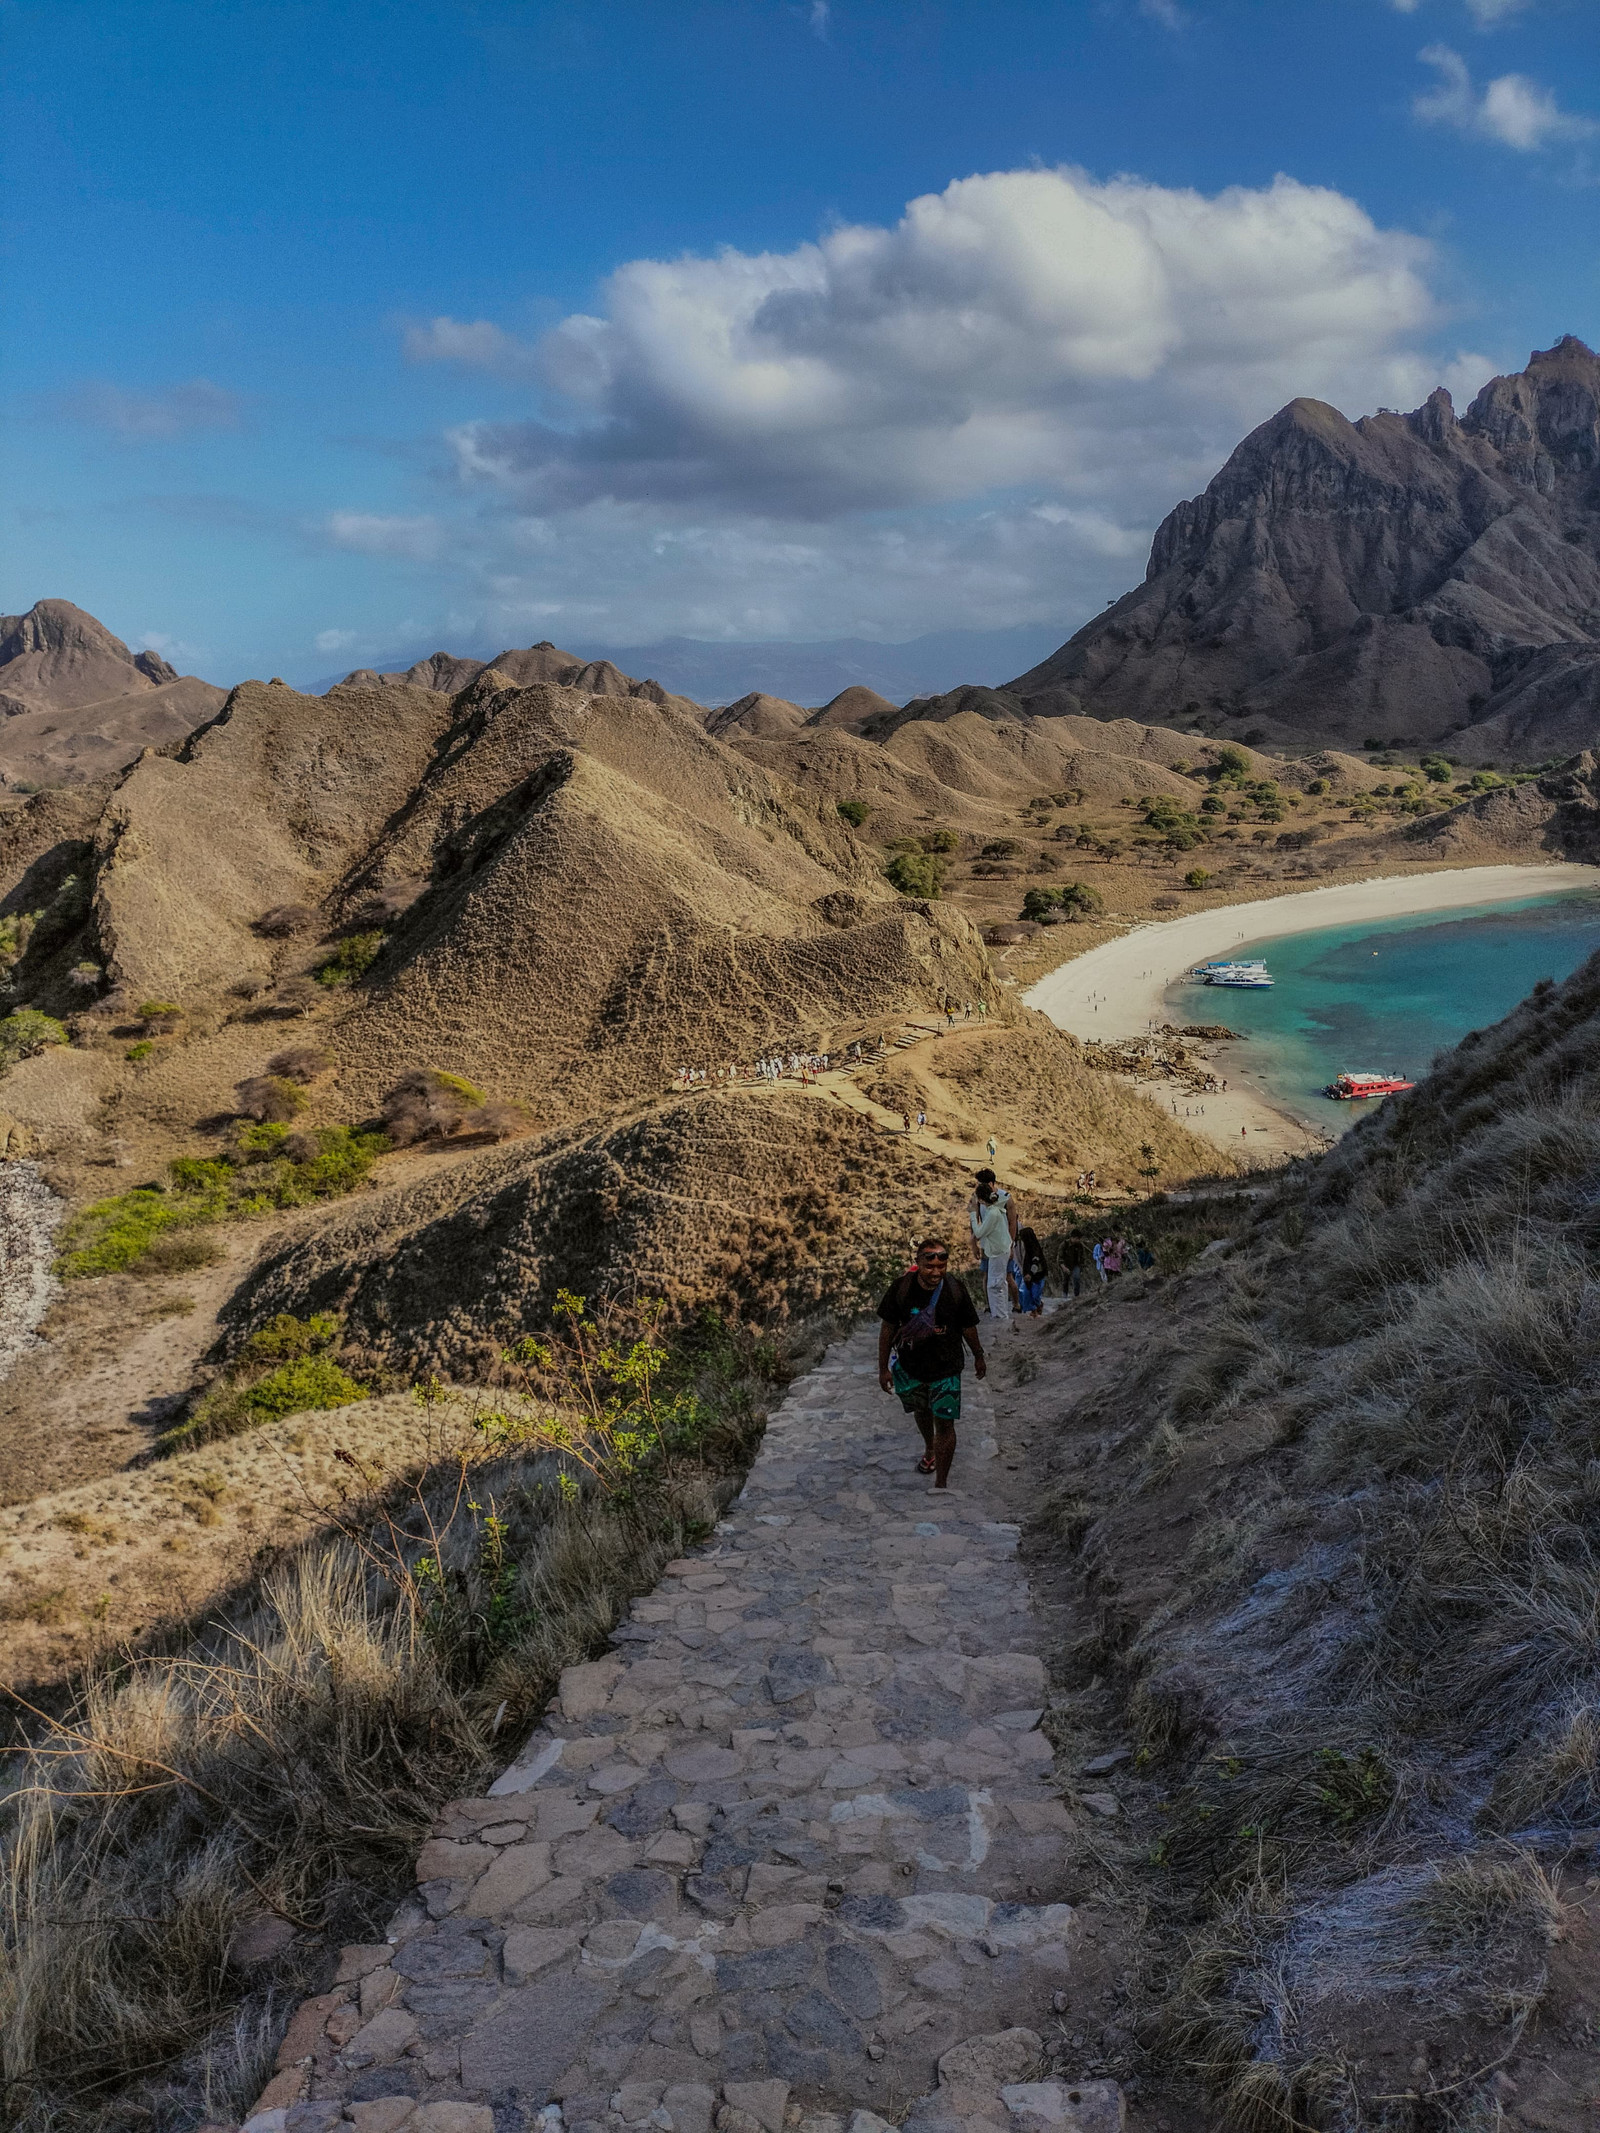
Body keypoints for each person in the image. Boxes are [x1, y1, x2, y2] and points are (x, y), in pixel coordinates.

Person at [878, 1238, 985, 1487]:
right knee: (922, 1411)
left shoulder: (956, 1289)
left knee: (945, 1423)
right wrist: (883, 1369)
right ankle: (929, 1448)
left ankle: (941, 1483)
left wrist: (979, 1355)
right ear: (917, 1263)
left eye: (941, 1266)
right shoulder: (901, 1289)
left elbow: (968, 1327)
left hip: (947, 1369)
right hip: (911, 1368)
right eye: (930, 1266)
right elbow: (887, 1329)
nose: (936, 1272)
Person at [970, 1179, 1014, 1320]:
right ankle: (1002, 1312)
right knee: (1000, 1281)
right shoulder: (996, 1208)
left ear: (981, 1199)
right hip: (1001, 1248)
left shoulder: (992, 1213)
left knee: (994, 1284)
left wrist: (972, 1214)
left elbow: (978, 1232)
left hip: (998, 1251)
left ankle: (1000, 1315)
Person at [1016, 1226, 1048, 1317]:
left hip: (1038, 1276)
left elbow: (1036, 1262)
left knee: (1035, 1295)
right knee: (1025, 1293)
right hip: (1028, 1276)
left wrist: (1030, 1273)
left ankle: (1038, 1305)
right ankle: (1033, 1310)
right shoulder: (1024, 1249)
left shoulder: (1035, 1249)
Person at [1060, 1234, 1086, 1298]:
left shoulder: (1080, 1245)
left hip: (1076, 1264)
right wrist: (1063, 1267)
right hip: (1066, 1264)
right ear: (1072, 1238)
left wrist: (1082, 1266)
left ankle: (1077, 1295)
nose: (1078, 1240)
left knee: (1076, 1278)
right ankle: (1064, 1295)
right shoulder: (1064, 1244)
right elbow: (1060, 1257)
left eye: (1079, 1239)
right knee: (1066, 1279)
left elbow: (1082, 1257)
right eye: (1077, 1238)